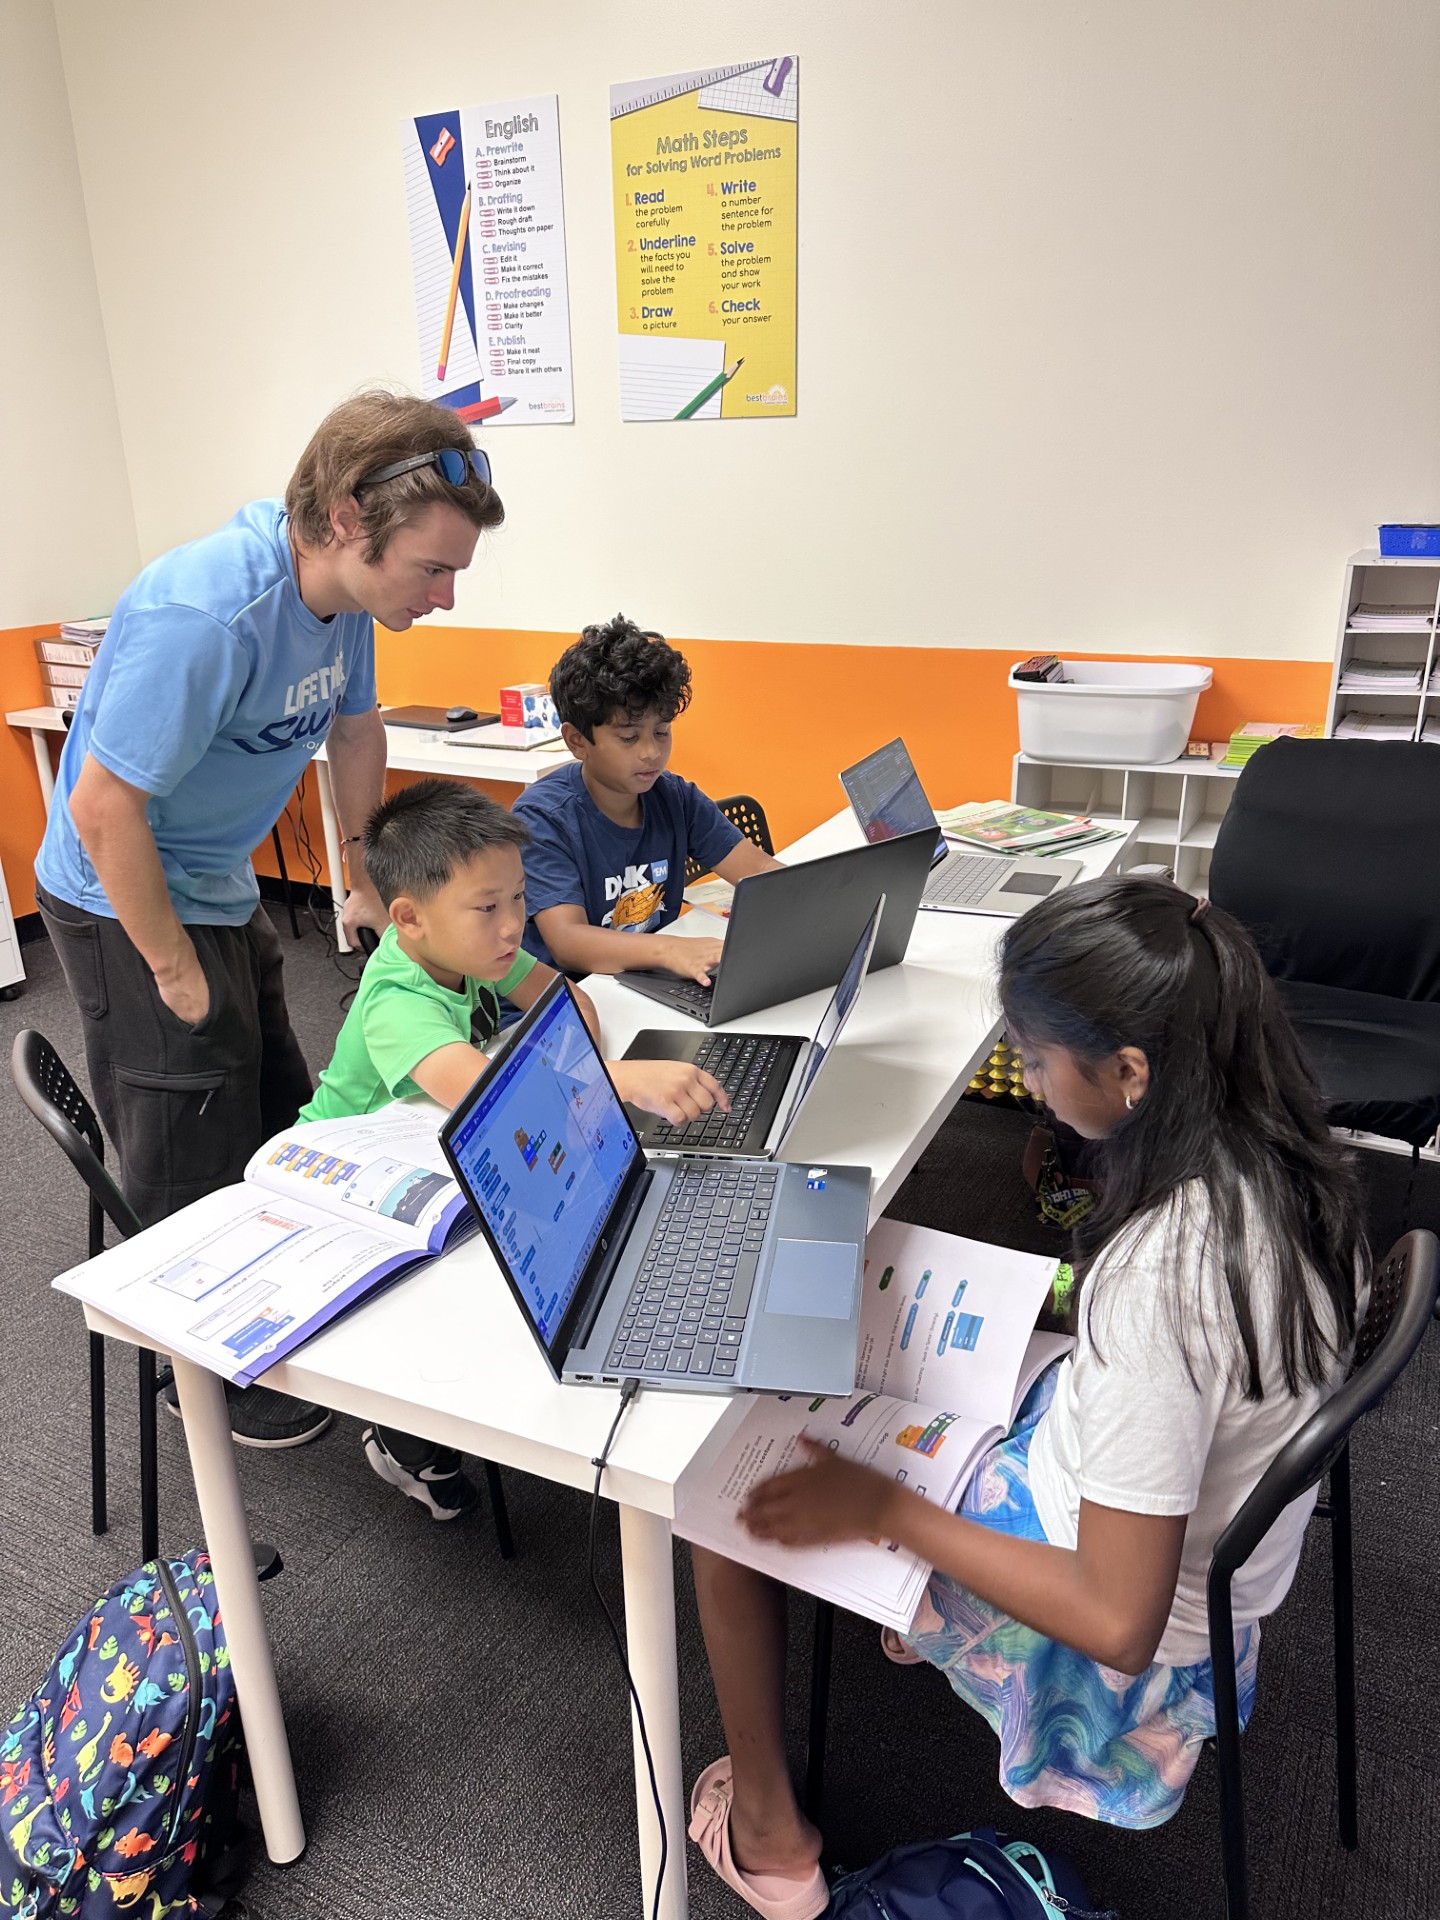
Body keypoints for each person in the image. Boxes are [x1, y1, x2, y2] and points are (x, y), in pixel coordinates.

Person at [685, 876, 1368, 1920]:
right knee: (881, 1300)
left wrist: (883, 1508)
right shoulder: (1287, 1162)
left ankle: (770, 1837)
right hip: (1157, 1511)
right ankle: (902, 1592)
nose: (1031, 1083)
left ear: (1131, 1072)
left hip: (1129, 1646)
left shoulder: (1164, 1278)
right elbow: (1182, 1372)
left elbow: (1116, 1621)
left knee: (721, 1489)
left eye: (1038, 1060)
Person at [34, 390, 503, 1447]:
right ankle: (198, 1373)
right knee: (190, 1125)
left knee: (283, 1110)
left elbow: (357, 731)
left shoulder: (346, 601)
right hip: (123, 892)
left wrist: (360, 875)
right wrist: (170, 969)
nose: (444, 597)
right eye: (432, 570)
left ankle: (284, 1302)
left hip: (217, 883)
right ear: (345, 518)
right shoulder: (208, 615)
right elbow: (101, 807)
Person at [300, 777, 730, 1517]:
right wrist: (609, 1079)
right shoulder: (397, 1002)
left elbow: (573, 999)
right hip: (349, 1184)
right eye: (488, 908)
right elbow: (489, 1097)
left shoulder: (470, 950)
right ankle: (398, 1430)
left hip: (431, 1147)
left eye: (519, 899)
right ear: (408, 918)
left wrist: (573, 1069)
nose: (512, 927)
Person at [512, 614, 782, 984]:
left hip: (644, 981)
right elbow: (568, 942)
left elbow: (760, 873)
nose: (651, 752)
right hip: (572, 994)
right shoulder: (543, 817)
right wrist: (669, 950)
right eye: (629, 737)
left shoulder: (674, 797)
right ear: (578, 741)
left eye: (662, 732)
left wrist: (819, 895)